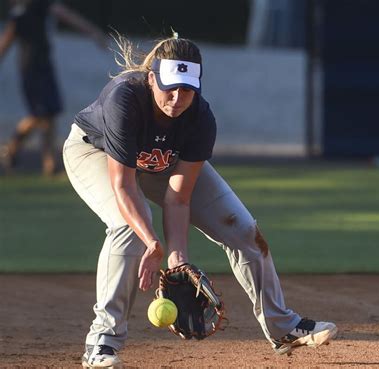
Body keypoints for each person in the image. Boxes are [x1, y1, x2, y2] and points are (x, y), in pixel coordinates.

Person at [62, 33, 337, 368]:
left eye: (187, 89)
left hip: (161, 160)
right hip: (94, 153)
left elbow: (178, 198)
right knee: (129, 229)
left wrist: (177, 259)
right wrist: (152, 242)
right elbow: (124, 185)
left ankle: (283, 327)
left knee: (243, 229)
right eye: (170, 87)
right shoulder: (125, 100)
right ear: (152, 79)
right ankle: (101, 344)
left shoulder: (200, 119)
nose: (178, 98)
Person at [0, 0, 107, 175]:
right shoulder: (23, 12)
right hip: (31, 70)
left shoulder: (32, 7)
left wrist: (93, 32)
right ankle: (12, 147)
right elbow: (5, 43)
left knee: (50, 115)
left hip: (42, 67)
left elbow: (67, 15)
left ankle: (49, 164)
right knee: (39, 115)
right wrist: (94, 32)